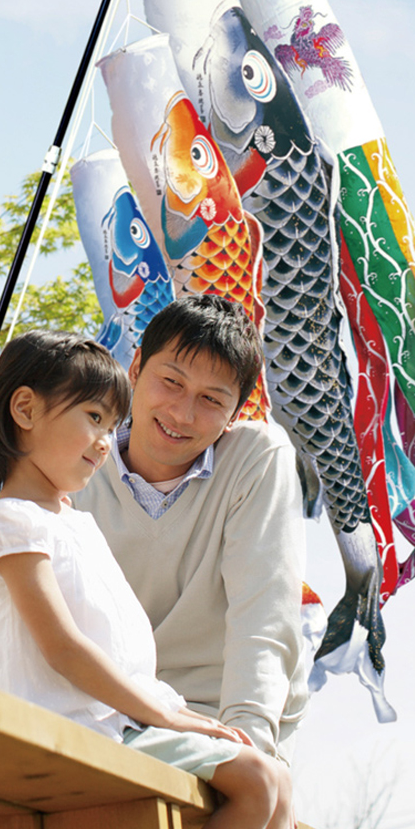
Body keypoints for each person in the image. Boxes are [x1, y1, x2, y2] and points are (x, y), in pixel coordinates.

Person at [0, 330, 294, 829]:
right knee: (256, 780)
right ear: (25, 409)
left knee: (274, 785)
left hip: (116, 723)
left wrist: (171, 713)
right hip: (70, 730)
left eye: (110, 423)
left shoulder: (74, 521)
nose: (105, 441)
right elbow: (64, 647)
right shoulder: (12, 521)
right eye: (93, 418)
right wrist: (163, 714)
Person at [75, 295, 308, 764]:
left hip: (217, 715)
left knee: (251, 787)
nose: (182, 414)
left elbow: (262, 616)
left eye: (210, 400)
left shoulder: (256, 459)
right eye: (171, 382)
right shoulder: (74, 465)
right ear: (136, 368)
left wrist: (252, 744)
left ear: (237, 412)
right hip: (100, 710)